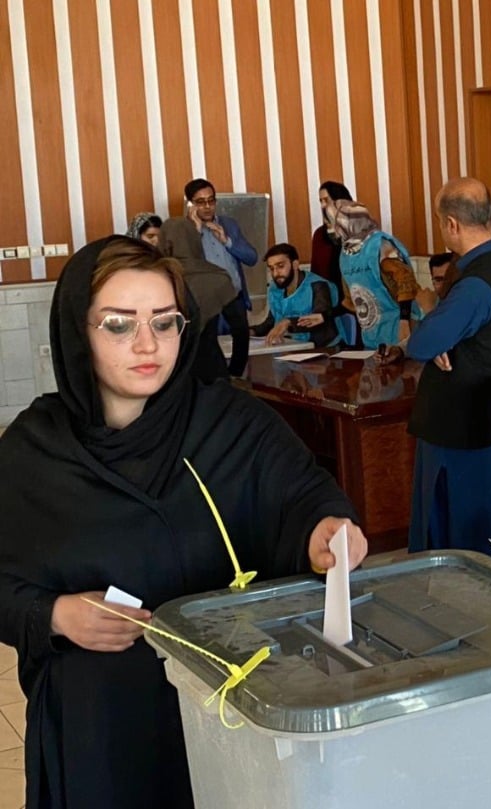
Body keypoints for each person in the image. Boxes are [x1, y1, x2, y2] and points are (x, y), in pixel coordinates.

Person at [0, 236, 369, 809]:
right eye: (119, 324)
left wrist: (325, 529)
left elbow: (302, 495)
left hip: (227, 710)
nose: (147, 343)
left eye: (165, 322)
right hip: (102, 726)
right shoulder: (34, 452)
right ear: (77, 331)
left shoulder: (231, 423)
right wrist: (54, 615)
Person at [380, 178, 491, 558]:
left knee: (460, 537)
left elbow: (422, 344)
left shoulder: (477, 281)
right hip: (485, 416)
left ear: (451, 224)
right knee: (487, 528)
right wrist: (442, 338)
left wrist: (432, 312)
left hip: (460, 427)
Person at [184, 178, 258, 376]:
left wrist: (227, 241)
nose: (207, 206)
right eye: (201, 202)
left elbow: (252, 257)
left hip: (232, 292)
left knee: (241, 335)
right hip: (205, 298)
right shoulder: (184, 230)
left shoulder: (229, 224)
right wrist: (196, 232)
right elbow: (185, 264)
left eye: (211, 200)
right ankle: (216, 381)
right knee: (207, 342)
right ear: (190, 204)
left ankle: (235, 376)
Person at [327, 198, 419, 349]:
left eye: (337, 223)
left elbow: (405, 283)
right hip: (371, 333)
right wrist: (326, 316)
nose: (334, 230)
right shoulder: (346, 254)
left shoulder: (380, 245)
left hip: (399, 326)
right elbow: (351, 298)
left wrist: (404, 321)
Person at [157, 217, 235, 383]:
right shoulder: (218, 277)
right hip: (213, 369)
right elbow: (240, 328)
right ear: (195, 240)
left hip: (172, 372)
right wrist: (237, 371)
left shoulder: (155, 280)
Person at [250, 243, 339, 347]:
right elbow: (272, 322)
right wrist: (252, 331)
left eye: (280, 266)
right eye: (271, 268)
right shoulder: (275, 289)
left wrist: (288, 323)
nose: (275, 273)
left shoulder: (318, 286)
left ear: (295, 264)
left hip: (323, 348)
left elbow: (319, 319)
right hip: (292, 346)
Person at [310, 180, 352, 288]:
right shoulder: (319, 234)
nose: (323, 205)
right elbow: (315, 272)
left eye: (326, 200)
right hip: (328, 293)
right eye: (321, 201)